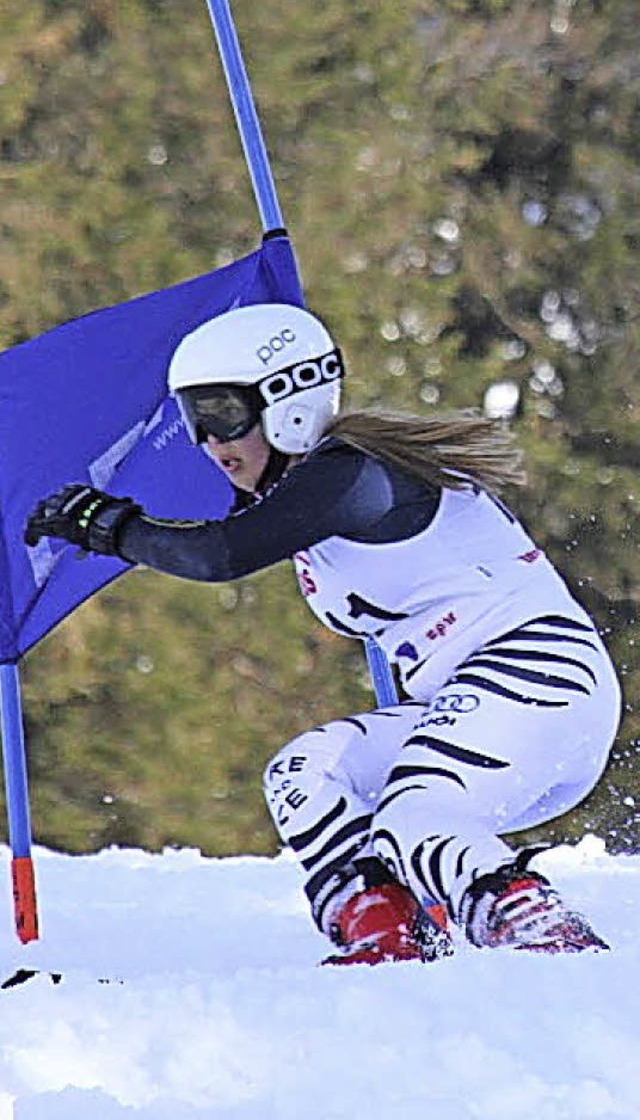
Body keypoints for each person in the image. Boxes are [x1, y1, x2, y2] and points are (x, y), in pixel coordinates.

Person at [25, 303, 621, 965]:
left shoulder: (353, 471)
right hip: (476, 700)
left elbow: (223, 554)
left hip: (539, 675)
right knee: (304, 774)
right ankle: (386, 930)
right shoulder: (317, 491)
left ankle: (540, 930)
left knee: (411, 811)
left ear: (287, 400)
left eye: (222, 413)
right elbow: (234, 535)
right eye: (195, 420)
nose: (209, 441)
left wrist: (110, 526)